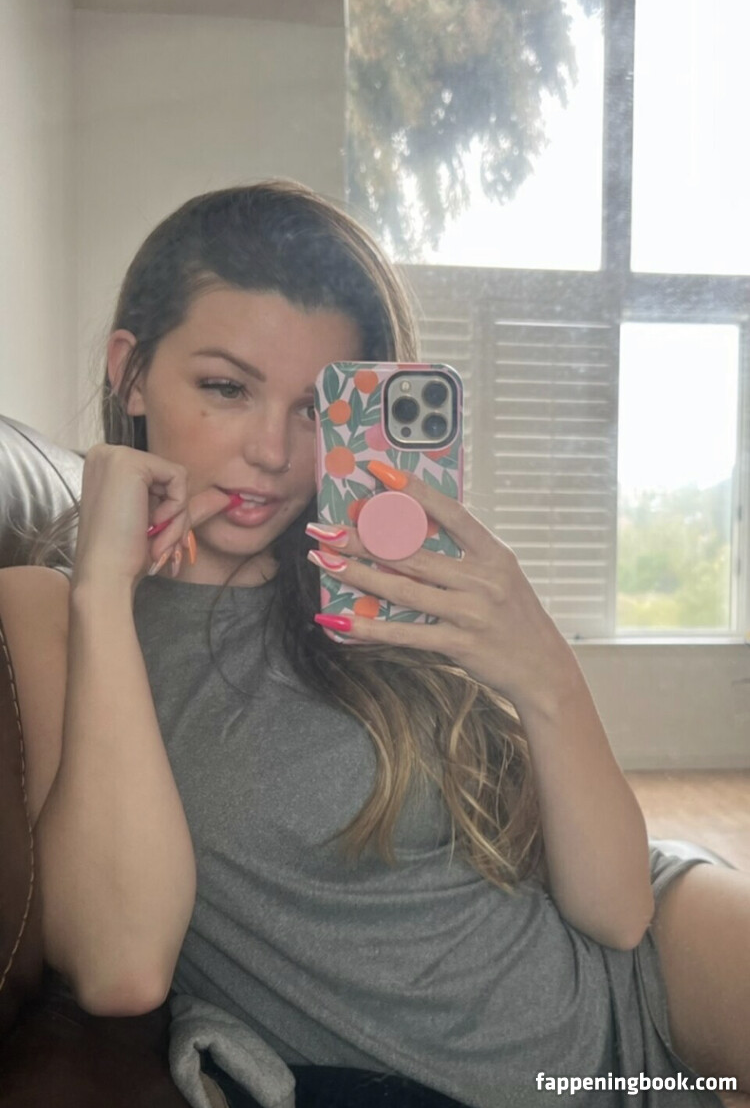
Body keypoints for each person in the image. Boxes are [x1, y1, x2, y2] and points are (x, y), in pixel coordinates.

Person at [1, 179, 748, 1108]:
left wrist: (544, 673)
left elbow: (621, 914)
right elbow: (122, 967)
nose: (274, 452)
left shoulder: (368, 576)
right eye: (226, 388)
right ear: (132, 373)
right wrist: (107, 593)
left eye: (316, 409)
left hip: (636, 976)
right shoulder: (53, 610)